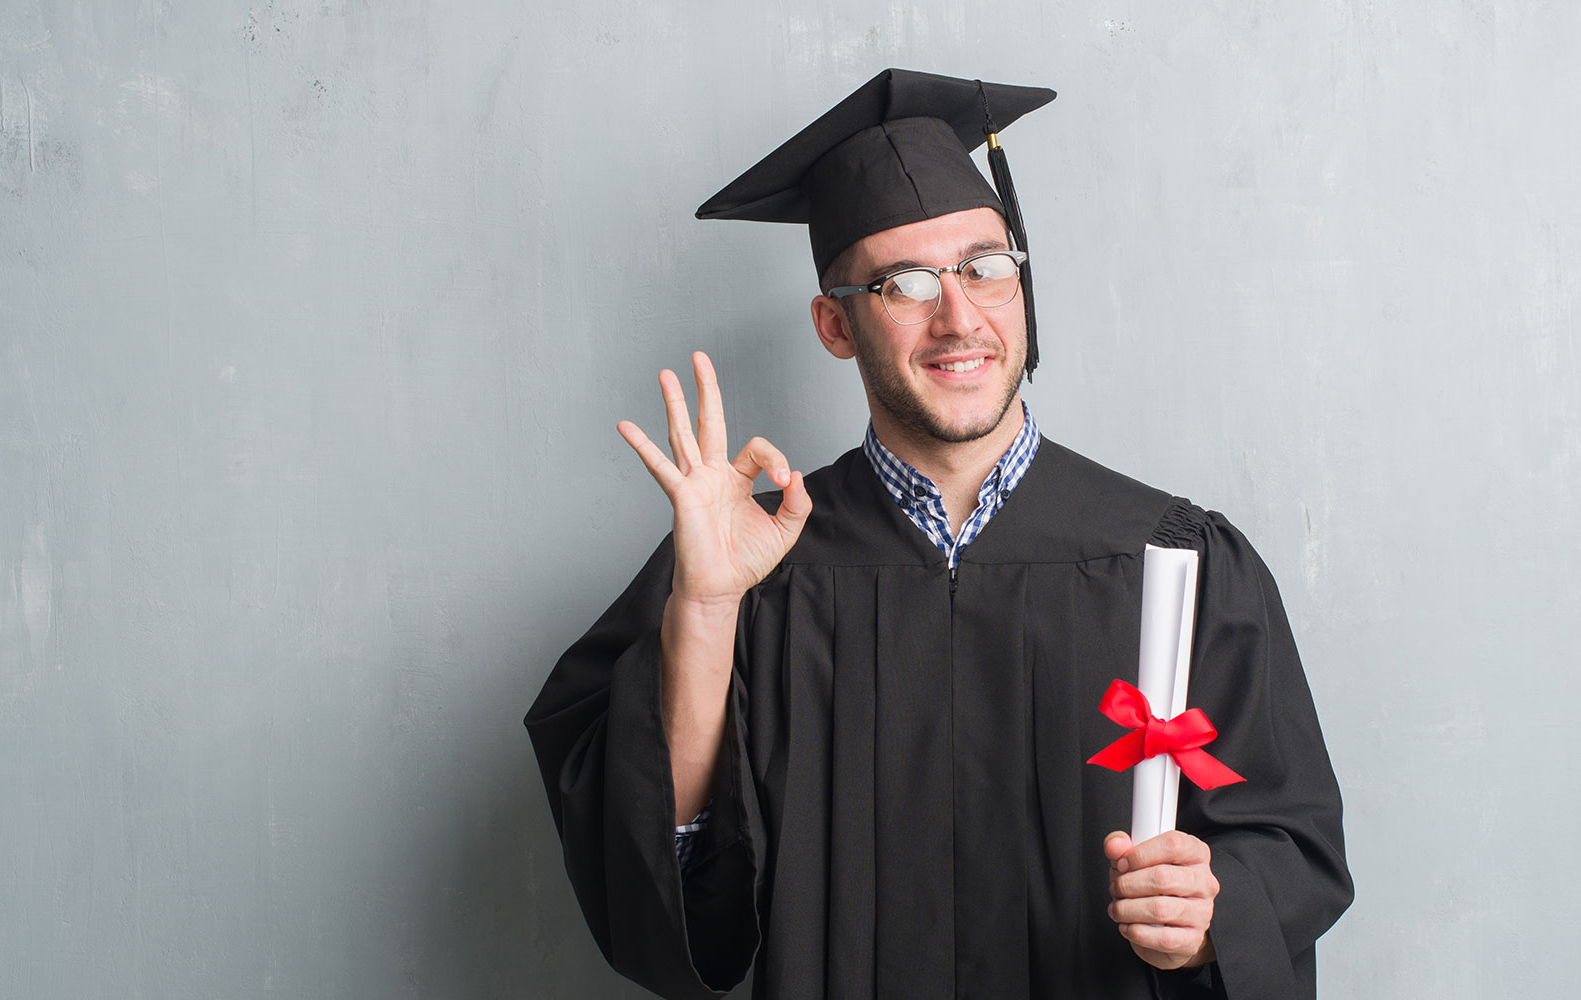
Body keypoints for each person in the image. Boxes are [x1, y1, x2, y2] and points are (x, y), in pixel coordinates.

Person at [525, 68, 1352, 1000]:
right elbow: (670, 888)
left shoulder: (1177, 556)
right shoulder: (752, 567)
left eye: (983, 267)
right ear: (835, 326)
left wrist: (1213, 913)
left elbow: (1293, 846)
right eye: (903, 284)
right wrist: (708, 612)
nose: (959, 315)